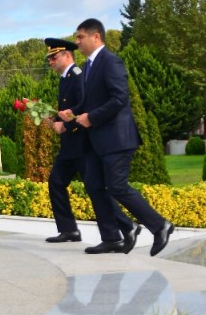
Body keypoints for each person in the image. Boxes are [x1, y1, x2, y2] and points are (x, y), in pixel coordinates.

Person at [60, 18, 174, 256]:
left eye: (80, 37)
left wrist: (91, 118)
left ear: (96, 37)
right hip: (98, 141)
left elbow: (119, 98)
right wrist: (74, 112)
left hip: (116, 139)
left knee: (117, 187)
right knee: (93, 184)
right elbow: (92, 100)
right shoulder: (90, 66)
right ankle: (112, 238)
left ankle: (160, 225)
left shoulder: (111, 61)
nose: (77, 42)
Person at [43, 38, 84, 243]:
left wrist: (66, 125)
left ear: (67, 55)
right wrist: (54, 119)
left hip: (83, 144)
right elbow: (67, 109)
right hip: (70, 146)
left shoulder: (78, 76)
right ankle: (69, 230)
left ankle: (126, 226)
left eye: (53, 57)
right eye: (49, 58)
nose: (50, 61)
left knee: (97, 188)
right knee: (56, 182)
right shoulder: (64, 79)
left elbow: (85, 108)